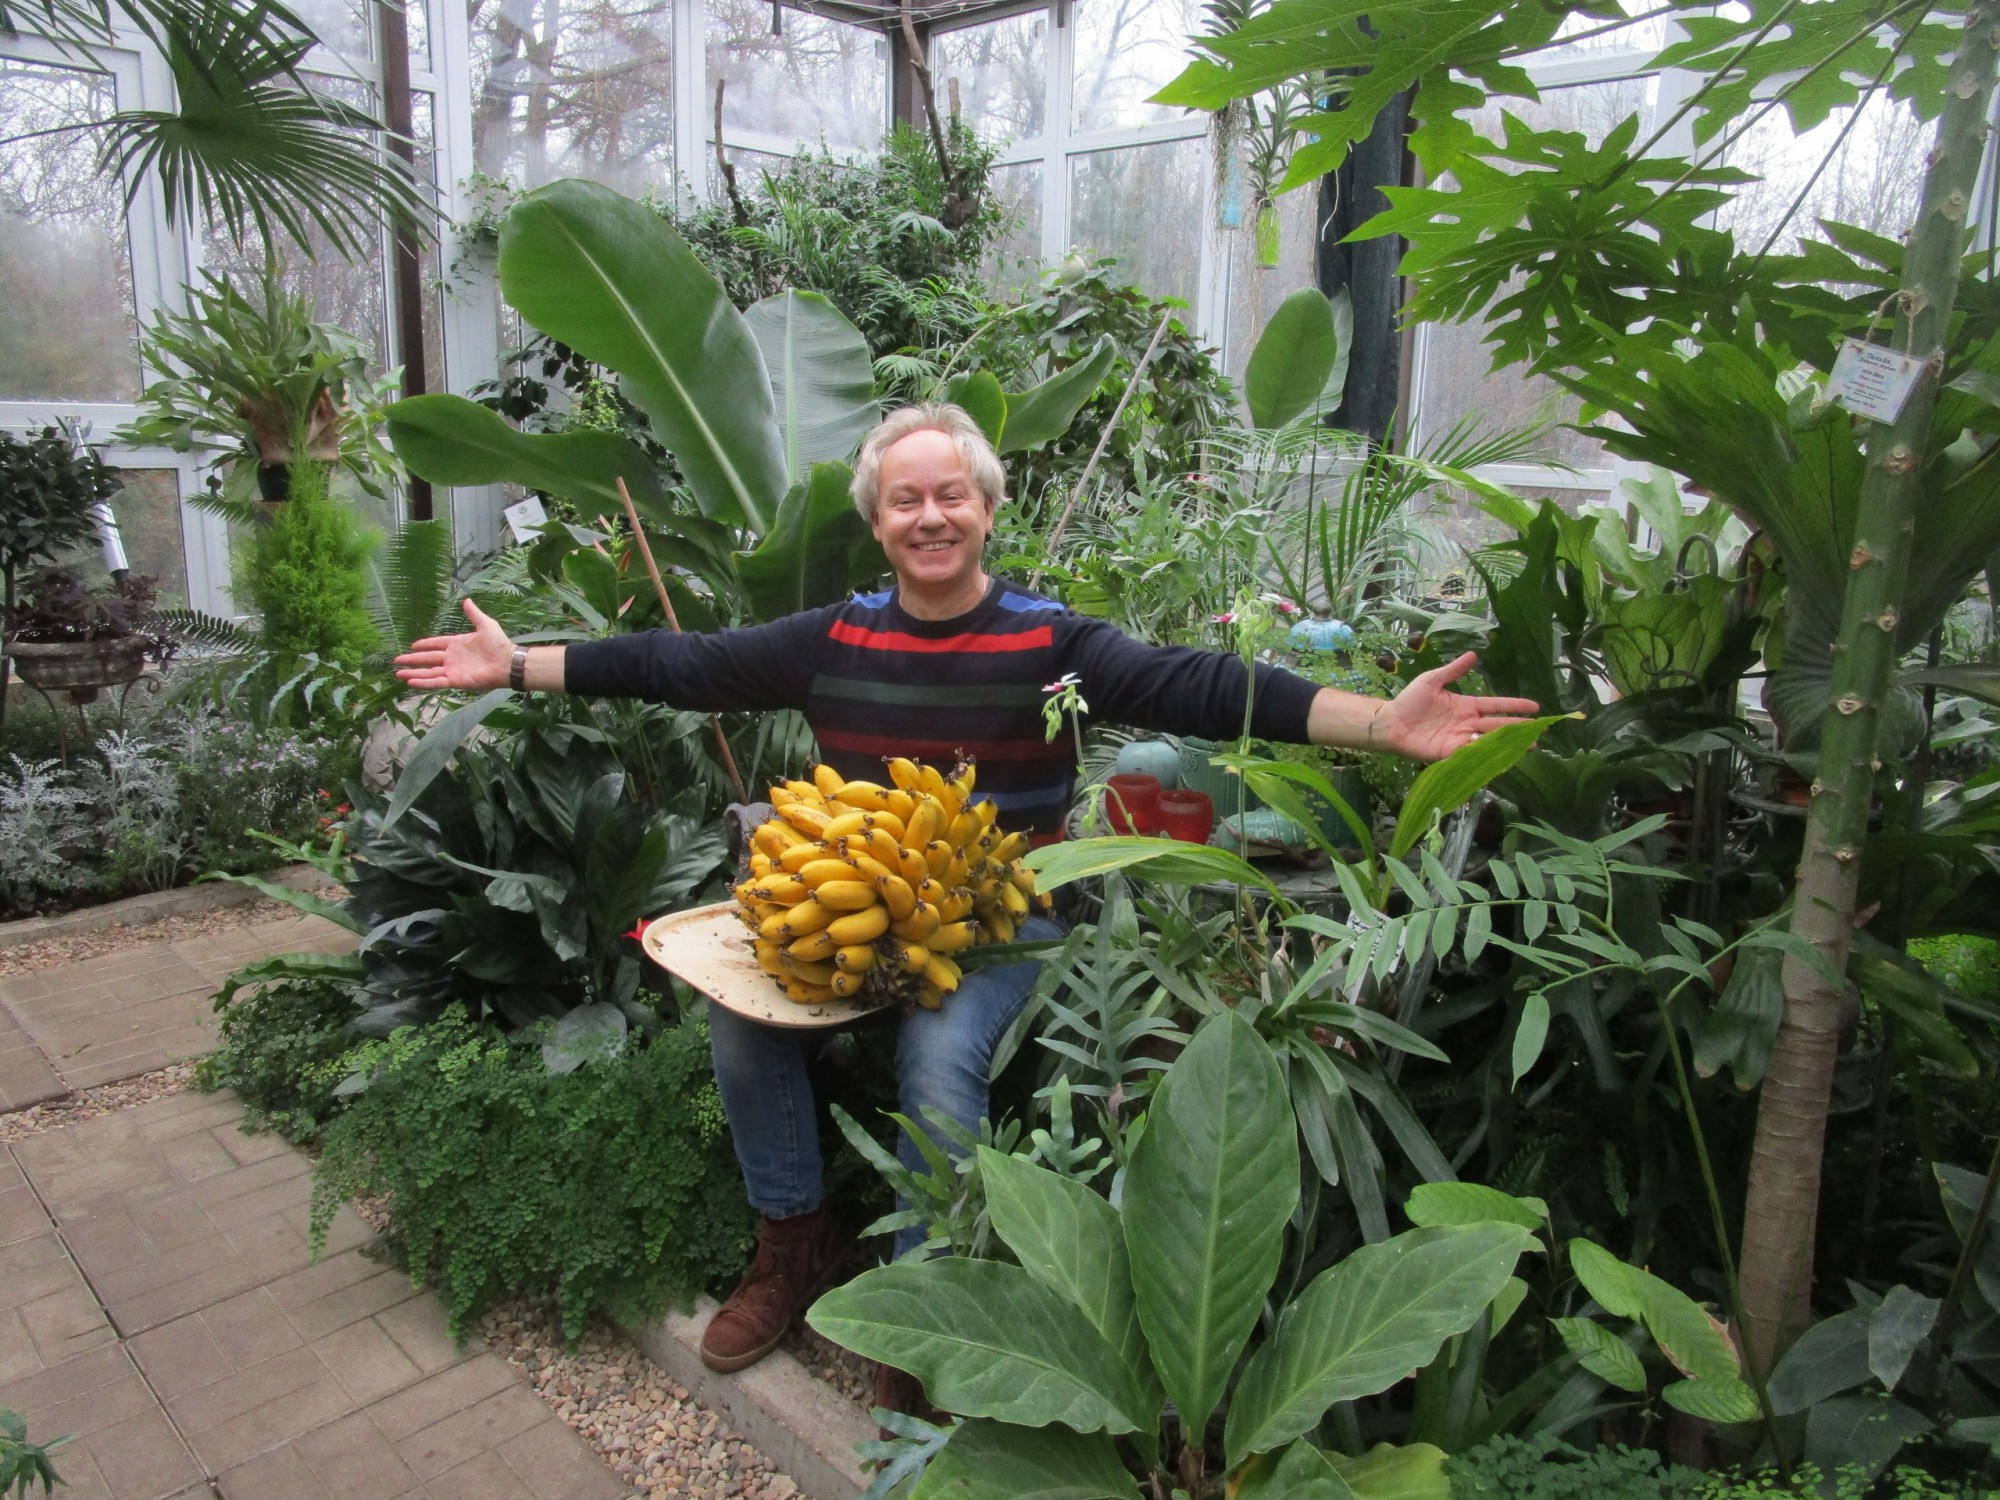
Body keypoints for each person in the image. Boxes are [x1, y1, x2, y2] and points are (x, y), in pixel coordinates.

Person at [394, 403, 1539, 1383]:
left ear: (987, 510)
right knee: (740, 1024)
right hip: (853, 914)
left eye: (951, 495)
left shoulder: (1051, 641)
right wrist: (520, 663)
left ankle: (922, 1313)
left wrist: (1378, 724)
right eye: (905, 501)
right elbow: (684, 666)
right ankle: (788, 1245)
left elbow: (1199, 685)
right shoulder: (831, 636)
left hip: (1002, 918)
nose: (929, 517)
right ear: (877, 520)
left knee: (939, 1056)